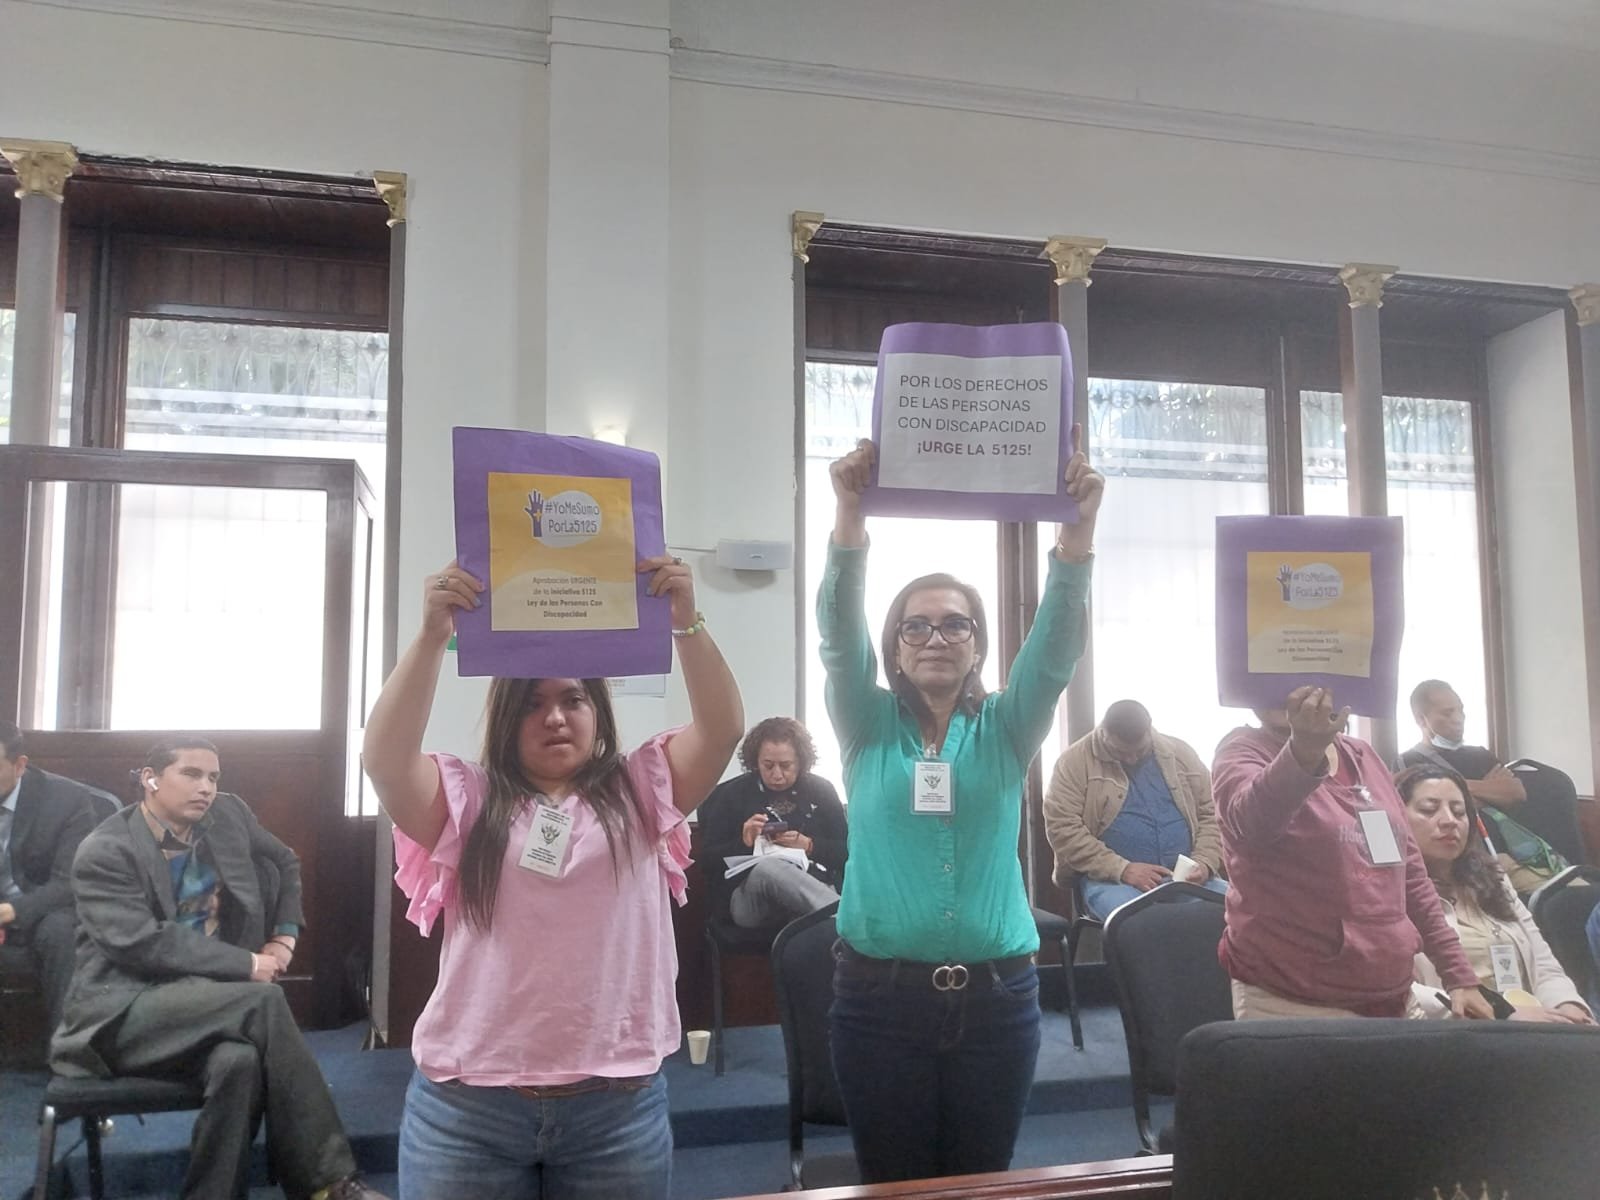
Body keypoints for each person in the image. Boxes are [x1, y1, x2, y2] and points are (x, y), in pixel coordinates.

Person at [364, 555, 743, 1200]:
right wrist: (431, 637)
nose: (556, 716)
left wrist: (687, 623)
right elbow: (385, 759)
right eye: (533, 703)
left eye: (573, 699)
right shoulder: (467, 797)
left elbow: (724, 728)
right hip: (468, 1107)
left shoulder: (641, 790)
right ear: (506, 721)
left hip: (615, 1107)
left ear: (598, 714)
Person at [818, 432, 1104, 1183]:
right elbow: (837, 637)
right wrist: (849, 513)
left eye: (955, 624)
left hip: (999, 1000)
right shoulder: (864, 723)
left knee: (983, 1179)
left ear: (977, 646)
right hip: (879, 1004)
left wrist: (1078, 527)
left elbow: (1055, 649)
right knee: (895, 1181)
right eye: (917, 625)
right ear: (897, 648)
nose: (936, 636)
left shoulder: (1008, 728)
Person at [51, 737, 383, 1200]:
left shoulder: (226, 815)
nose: (205, 787)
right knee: (264, 1000)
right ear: (150, 779)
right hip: (124, 1011)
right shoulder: (105, 850)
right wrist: (247, 963)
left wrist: (284, 935)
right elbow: (143, 944)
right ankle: (328, 1183)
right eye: (191, 774)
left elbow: (285, 860)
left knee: (239, 1062)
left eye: (212, 777)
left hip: (210, 1002)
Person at [1212, 687, 1492, 1022]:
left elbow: (1409, 876)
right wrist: (1304, 749)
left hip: (1393, 994)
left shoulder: (1363, 756)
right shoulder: (1241, 750)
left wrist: (1458, 974)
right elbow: (1253, 824)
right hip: (1293, 999)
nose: (1285, 691)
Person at [1396, 764, 1594, 1025]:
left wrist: (1567, 1006)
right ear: (1396, 816)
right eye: (1429, 810)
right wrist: (1503, 1013)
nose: (1449, 821)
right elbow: (1399, 992)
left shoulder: (1494, 879)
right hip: (1452, 1035)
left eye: (1459, 812)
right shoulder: (1389, 892)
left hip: (1531, 1027)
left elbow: (1544, 966)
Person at [1043, 699, 1226, 921]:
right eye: (1120, 752)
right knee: (1142, 923)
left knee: (1238, 908)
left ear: (1149, 729)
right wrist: (1123, 869)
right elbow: (1063, 829)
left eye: (1139, 751)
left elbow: (1213, 813)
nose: (1131, 758)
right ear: (1104, 733)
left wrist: (1204, 861)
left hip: (1186, 879)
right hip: (1111, 879)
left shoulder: (1181, 754)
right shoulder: (1073, 763)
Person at [1400, 680, 1567, 894]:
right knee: (1571, 899)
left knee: (1581, 891)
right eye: (1448, 713)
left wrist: (1453, 788)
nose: (1458, 719)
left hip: (1518, 853)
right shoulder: (1408, 762)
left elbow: (1516, 793)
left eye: (1461, 711)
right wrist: (1488, 788)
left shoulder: (1479, 754)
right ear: (1421, 719)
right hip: (1472, 859)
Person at [0, 720, 102, 1031]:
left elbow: (71, 882)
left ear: (20, 765)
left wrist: (11, 911)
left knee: (63, 929)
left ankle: (68, 1057)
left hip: (39, 911)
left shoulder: (67, 801)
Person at [698, 717, 847, 929]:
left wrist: (810, 846)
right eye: (768, 766)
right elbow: (707, 863)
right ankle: (845, 917)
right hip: (751, 900)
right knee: (768, 867)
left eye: (786, 766)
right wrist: (744, 843)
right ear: (755, 762)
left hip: (813, 884)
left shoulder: (821, 791)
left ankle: (836, 916)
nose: (777, 775)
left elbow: (848, 853)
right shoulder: (732, 794)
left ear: (801, 762)